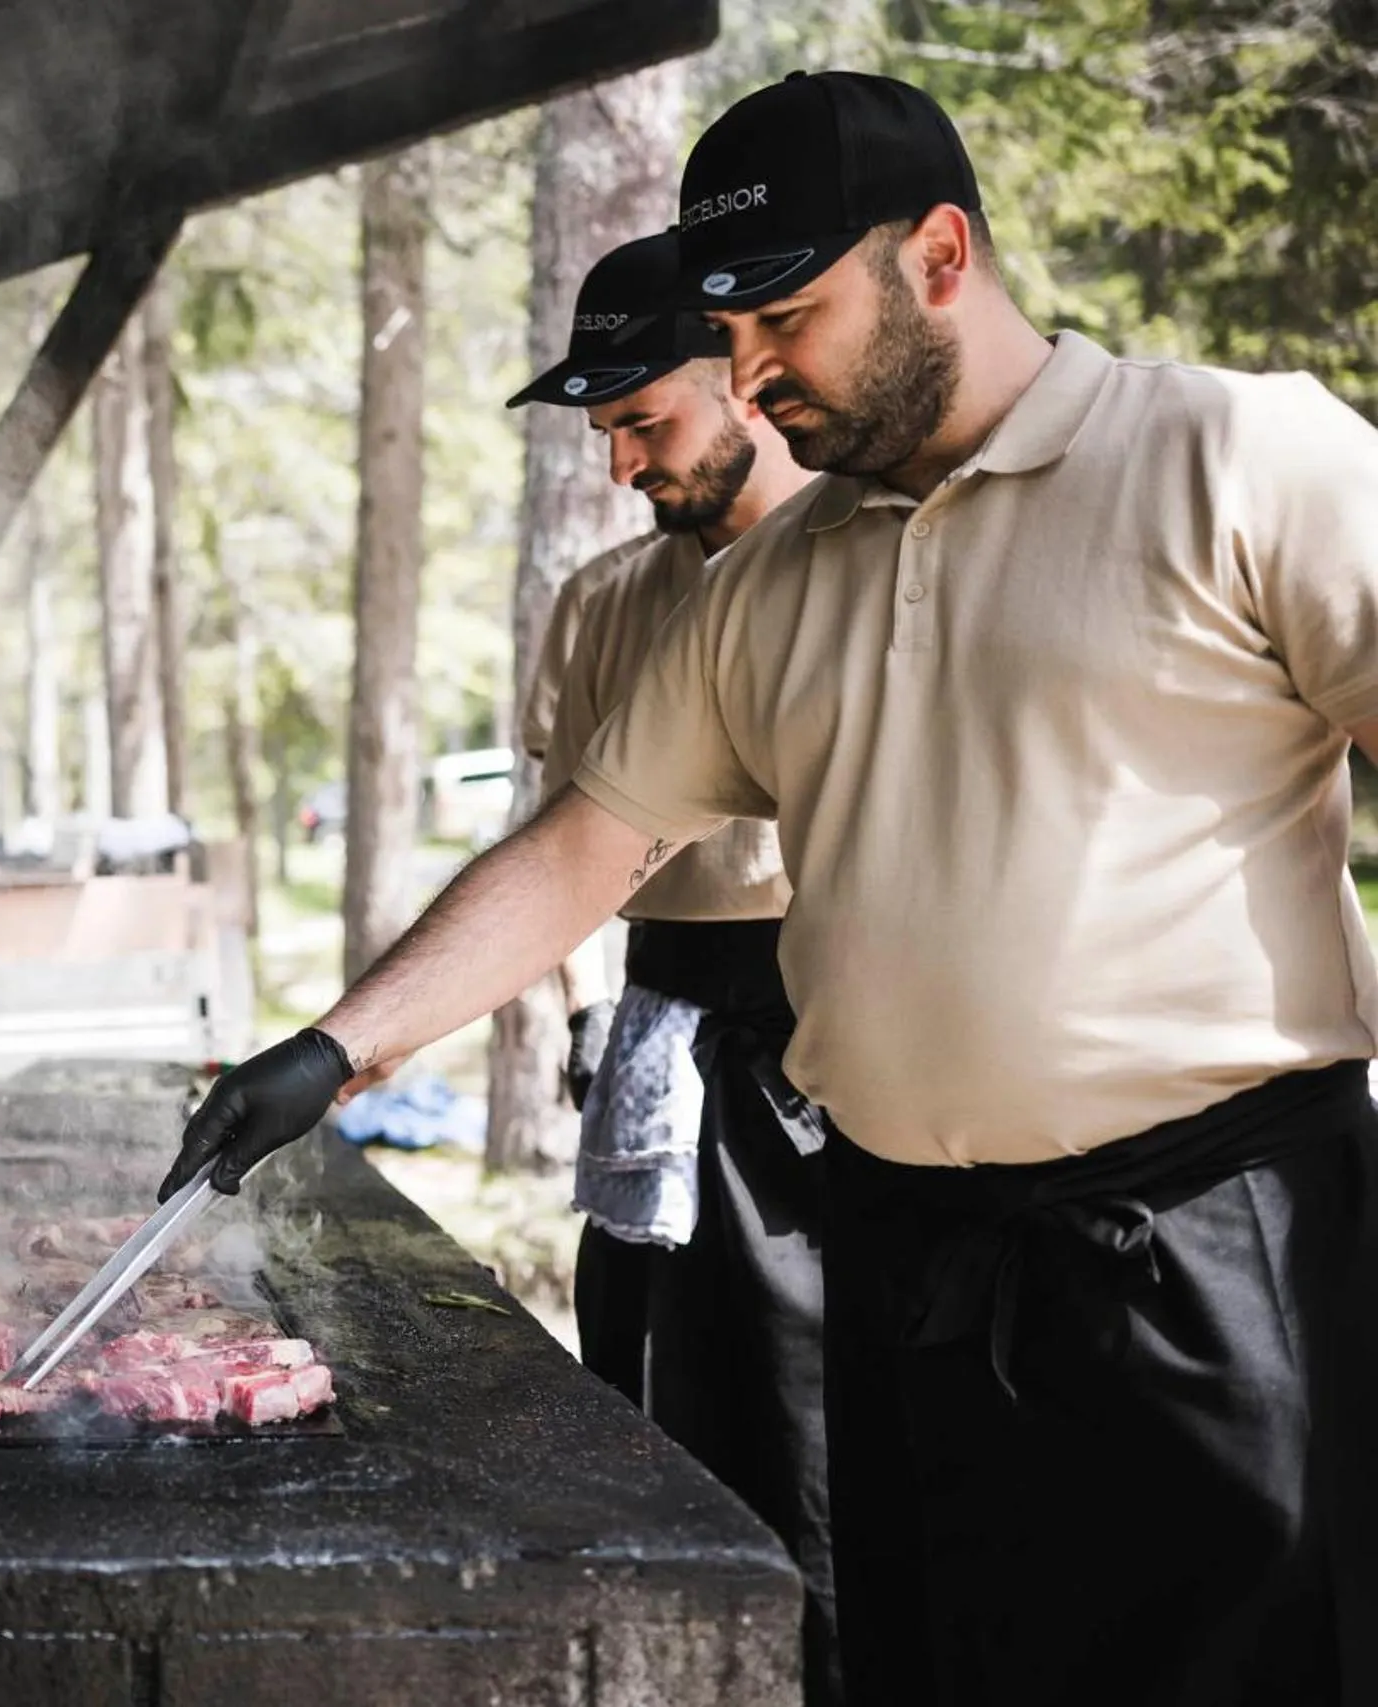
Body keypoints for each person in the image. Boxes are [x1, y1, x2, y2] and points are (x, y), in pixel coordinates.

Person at [164, 69, 1378, 1707]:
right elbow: (589, 841)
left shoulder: (1238, 456)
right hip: (903, 1265)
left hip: (1208, 1264)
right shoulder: (773, 585)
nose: (745, 373)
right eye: (728, 330)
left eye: (786, 319)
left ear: (939, 256)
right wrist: (335, 1049)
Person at [508, 229, 836, 1705]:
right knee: (638, 1385)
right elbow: (560, 853)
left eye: (645, 419)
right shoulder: (604, 601)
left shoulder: (862, 564)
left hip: (821, 1043)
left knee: (808, 1425)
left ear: (746, 379)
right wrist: (588, 1015)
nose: (621, 462)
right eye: (604, 431)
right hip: (658, 1027)